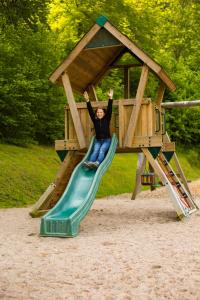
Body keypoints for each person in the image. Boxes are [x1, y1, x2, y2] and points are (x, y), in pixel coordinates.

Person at [83, 89, 114, 169]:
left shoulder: (107, 118)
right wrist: (87, 101)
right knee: (95, 151)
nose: (99, 113)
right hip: (98, 140)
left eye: (101, 112)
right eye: (97, 112)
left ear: (104, 113)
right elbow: (90, 111)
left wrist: (110, 98)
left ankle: (97, 163)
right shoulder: (95, 119)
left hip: (106, 140)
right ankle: (90, 162)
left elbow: (110, 110)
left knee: (101, 150)